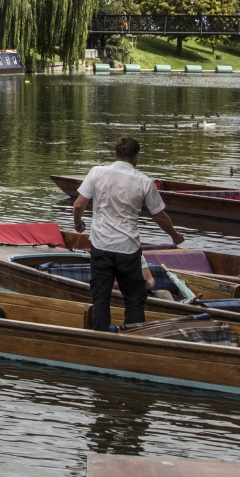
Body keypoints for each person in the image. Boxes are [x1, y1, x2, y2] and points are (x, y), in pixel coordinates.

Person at [71, 136, 186, 331]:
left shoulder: (97, 172)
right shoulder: (145, 182)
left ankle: (101, 339)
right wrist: (175, 236)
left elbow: (78, 204)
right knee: (134, 299)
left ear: (115, 154)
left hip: (101, 246)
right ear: (136, 158)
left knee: (101, 298)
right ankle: (133, 339)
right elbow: (160, 217)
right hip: (128, 248)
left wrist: (77, 224)